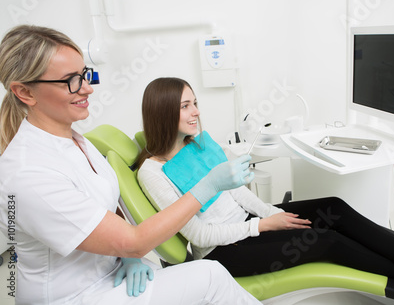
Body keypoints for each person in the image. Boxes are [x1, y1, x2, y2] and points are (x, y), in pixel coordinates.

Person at [136, 77, 394, 304]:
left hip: (248, 222)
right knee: (327, 242)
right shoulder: (153, 173)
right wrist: (262, 227)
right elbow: (196, 233)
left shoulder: (196, 143)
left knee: (332, 208)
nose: (196, 112)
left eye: (195, 102)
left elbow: (236, 194)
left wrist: (271, 214)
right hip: (221, 251)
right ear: (163, 113)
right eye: (185, 106)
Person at [0, 25, 261, 305]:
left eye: (85, 75)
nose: (87, 88)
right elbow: (134, 241)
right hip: (74, 296)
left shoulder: (77, 141)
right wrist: (209, 185)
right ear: (25, 93)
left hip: (113, 274)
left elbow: (106, 207)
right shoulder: (27, 173)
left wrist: (127, 258)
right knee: (211, 276)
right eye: (71, 80)